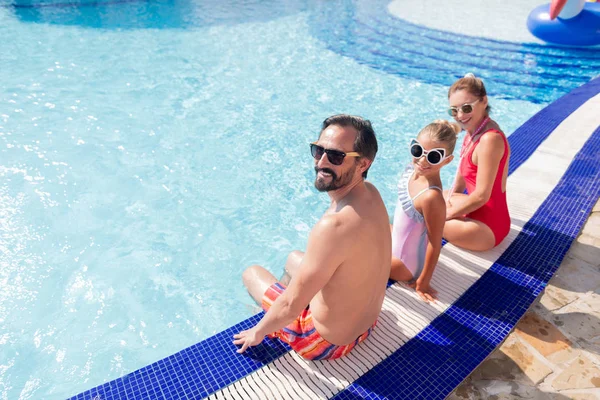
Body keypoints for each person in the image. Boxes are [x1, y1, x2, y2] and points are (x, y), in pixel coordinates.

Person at [233, 114, 391, 360]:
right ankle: (284, 297)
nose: (322, 162)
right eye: (319, 151)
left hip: (324, 342)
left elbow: (289, 306)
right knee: (294, 258)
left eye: (336, 156)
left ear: (363, 164)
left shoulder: (333, 226)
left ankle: (270, 319)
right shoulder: (371, 193)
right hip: (367, 326)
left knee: (252, 273)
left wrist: (258, 332)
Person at [390, 120, 458, 303]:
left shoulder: (431, 197)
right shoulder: (412, 171)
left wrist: (423, 282)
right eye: (417, 150)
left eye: (434, 157)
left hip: (405, 264)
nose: (422, 160)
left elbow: (435, 244)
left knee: (355, 259)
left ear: (447, 160)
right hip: (396, 243)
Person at [444, 73, 511, 251]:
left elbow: (482, 196)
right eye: (454, 110)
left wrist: (447, 213)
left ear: (484, 101)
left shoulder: (490, 140)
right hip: (475, 212)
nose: (459, 115)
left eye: (466, 108)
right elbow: (459, 181)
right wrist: (449, 201)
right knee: (428, 196)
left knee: (424, 214)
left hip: (487, 228)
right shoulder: (474, 130)